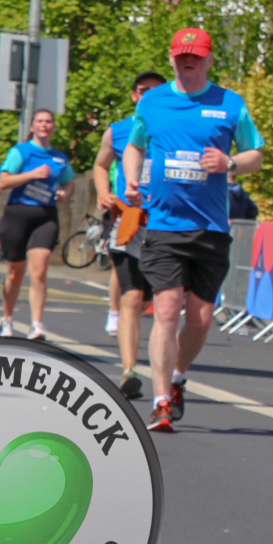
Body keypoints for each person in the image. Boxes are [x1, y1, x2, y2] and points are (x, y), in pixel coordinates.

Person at [122, 27, 265, 433]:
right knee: (167, 309)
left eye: (196, 56)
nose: (188, 61)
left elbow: (255, 155)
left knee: (200, 320)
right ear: (171, 58)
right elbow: (135, 145)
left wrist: (229, 163)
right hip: (164, 224)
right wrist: (131, 179)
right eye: (182, 55)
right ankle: (161, 402)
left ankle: (178, 376)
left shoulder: (229, 103)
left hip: (210, 228)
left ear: (208, 60)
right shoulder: (152, 101)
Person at [94, 71, 164, 396]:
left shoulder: (174, 130)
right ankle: (129, 371)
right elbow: (100, 164)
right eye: (143, 90)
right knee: (133, 297)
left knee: (153, 300)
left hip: (164, 224)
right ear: (134, 95)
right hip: (128, 222)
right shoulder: (118, 131)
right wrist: (103, 192)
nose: (149, 95)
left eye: (156, 90)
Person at [0, 108, 74, 339]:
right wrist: (31, 175)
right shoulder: (21, 152)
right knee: (14, 272)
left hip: (45, 215)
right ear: (32, 126)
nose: (44, 125)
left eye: (48, 121)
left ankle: (36, 324)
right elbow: (3, 181)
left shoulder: (59, 158)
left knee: (39, 271)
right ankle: (7, 320)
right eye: (40, 121)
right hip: (18, 213)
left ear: (53, 127)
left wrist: (64, 193)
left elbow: (69, 182)